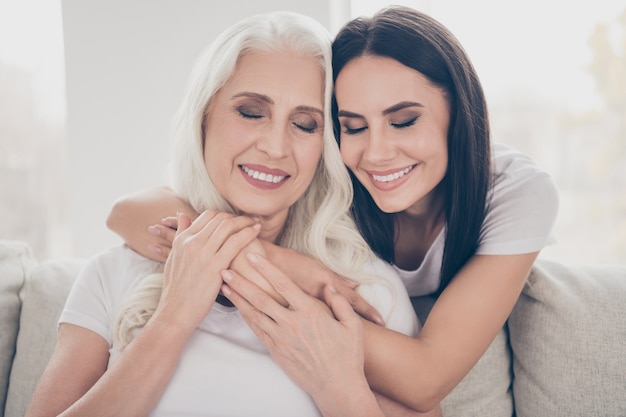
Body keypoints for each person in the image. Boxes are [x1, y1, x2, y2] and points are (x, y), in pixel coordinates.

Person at [108, 5, 559, 413]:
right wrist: (269, 261)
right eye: (353, 126)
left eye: (404, 120)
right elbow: (129, 211)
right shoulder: (337, 179)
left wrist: (274, 264)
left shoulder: (513, 190)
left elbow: (425, 381)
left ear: (458, 112)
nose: (377, 153)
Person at [26, 10, 439, 417]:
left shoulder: (363, 290)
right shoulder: (111, 275)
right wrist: (173, 320)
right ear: (204, 117)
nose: (275, 146)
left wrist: (340, 391)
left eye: (305, 124)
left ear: (325, 146)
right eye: (251, 112)